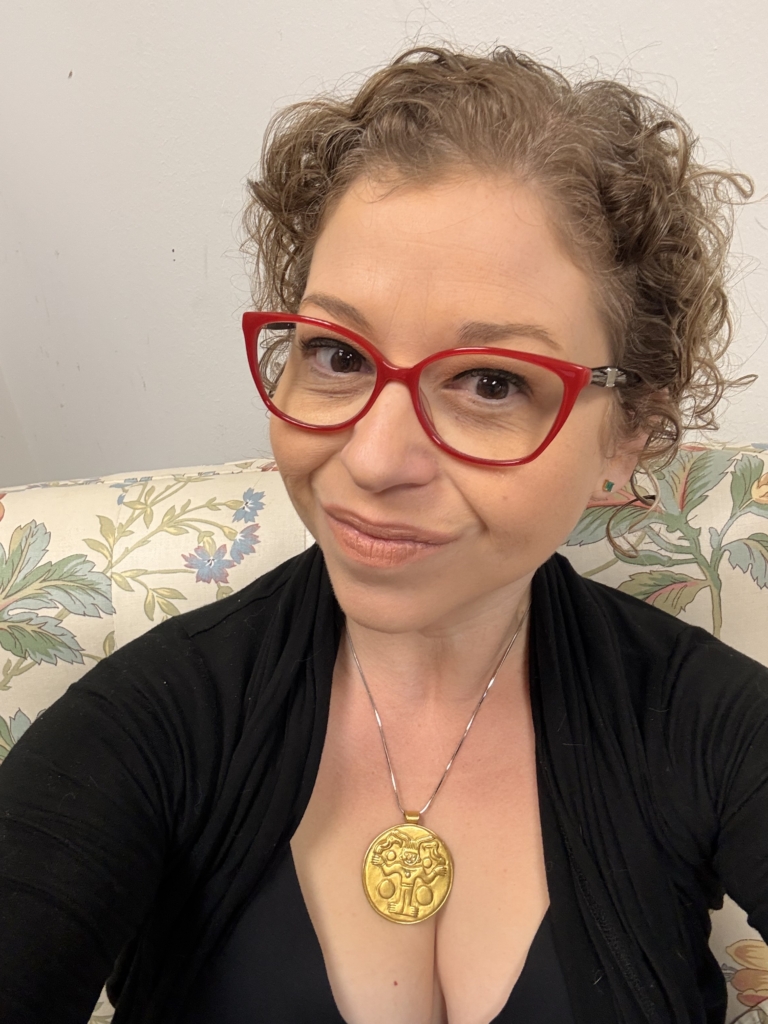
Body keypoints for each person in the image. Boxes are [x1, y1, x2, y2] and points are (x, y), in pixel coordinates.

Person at [0, 44, 766, 1024]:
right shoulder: (150, 725)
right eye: (337, 354)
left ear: (629, 433)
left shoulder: (708, 725)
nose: (371, 458)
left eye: (491, 382)